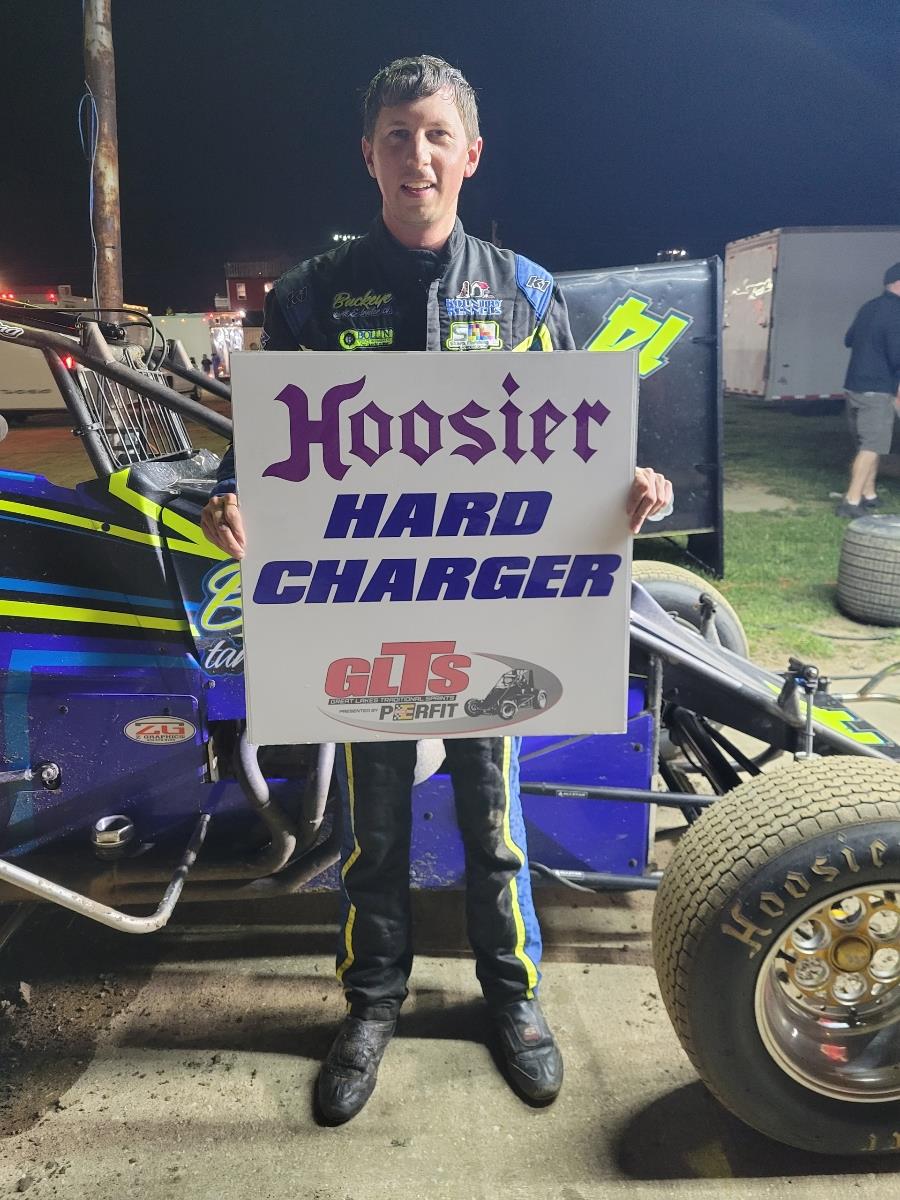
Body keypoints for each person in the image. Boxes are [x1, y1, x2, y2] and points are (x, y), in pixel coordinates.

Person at [200, 55, 672, 1125]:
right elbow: (257, 452)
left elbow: (582, 448)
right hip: (361, 611)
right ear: (367, 156)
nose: (418, 154)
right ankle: (371, 1006)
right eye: (397, 136)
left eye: (436, 133)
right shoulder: (310, 295)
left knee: (493, 824)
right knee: (369, 832)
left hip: (492, 607)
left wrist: (631, 493)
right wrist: (232, 500)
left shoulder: (528, 292)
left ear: (471, 153)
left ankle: (514, 1000)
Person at [837, 262, 900, 518]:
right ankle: (851, 502)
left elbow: (849, 339)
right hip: (878, 389)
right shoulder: (896, 312)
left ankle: (869, 493)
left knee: (870, 443)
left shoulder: (869, 307)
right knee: (872, 445)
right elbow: (898, 357)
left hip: (854, 387)